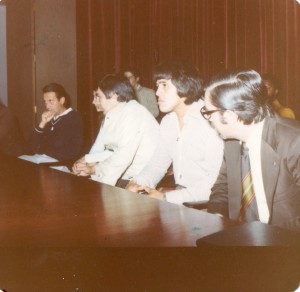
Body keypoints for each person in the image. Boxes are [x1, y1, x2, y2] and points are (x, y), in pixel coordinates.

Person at [204, 69, 300, 232]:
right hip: (239, 237)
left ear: (229, 116)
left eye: (208, 112)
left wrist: (269, 238)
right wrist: (218, 216)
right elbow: (223, 187)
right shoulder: (232, 141)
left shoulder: (293, 142)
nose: (208, 118)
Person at [126, 60, 224, 205]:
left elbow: (215, 183)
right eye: (158, 85)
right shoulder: (168, 122)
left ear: (185, 85)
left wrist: (167, 198)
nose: (157, 92)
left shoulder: (210, 120)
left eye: (164, 85)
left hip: (211, 203)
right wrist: (137, 182)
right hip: (181, 198)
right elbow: (157, 165)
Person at [72, 74, 159, 187]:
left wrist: (98, 184)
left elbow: (122, 158)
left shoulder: (133, 113)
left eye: (99, 96)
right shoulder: (116, 113)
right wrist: (93, 170)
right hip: (125, 176)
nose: (94, 102)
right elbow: (114, 155)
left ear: (113, 95)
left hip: (137, 180)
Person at [28, 83, 83, 161]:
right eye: (45, 102)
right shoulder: (50, 118)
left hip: (58, 163)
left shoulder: (73, 117)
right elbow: (31, 145)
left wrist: (39, 149)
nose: (47, 106)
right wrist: (42, 123)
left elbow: (58, 146)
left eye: (51, 101)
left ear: (62, 100)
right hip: (43, 158)